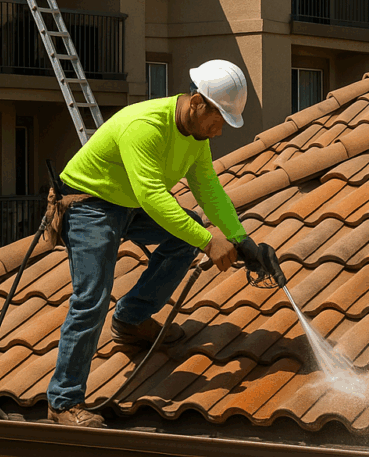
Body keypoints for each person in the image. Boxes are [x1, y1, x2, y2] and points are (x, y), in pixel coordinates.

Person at [46, 59, 250, 428]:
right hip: (89, 204)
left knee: (185, 230)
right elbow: (154, 196)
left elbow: (208, 189)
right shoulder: (146, 126)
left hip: (128, 205)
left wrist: (241, 239)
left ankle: (131, 320)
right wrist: (209, 242)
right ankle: (63, 401)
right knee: (91, 298)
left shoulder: (196, 137)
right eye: (218, 119)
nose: (219, 131)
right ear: (198, 102)